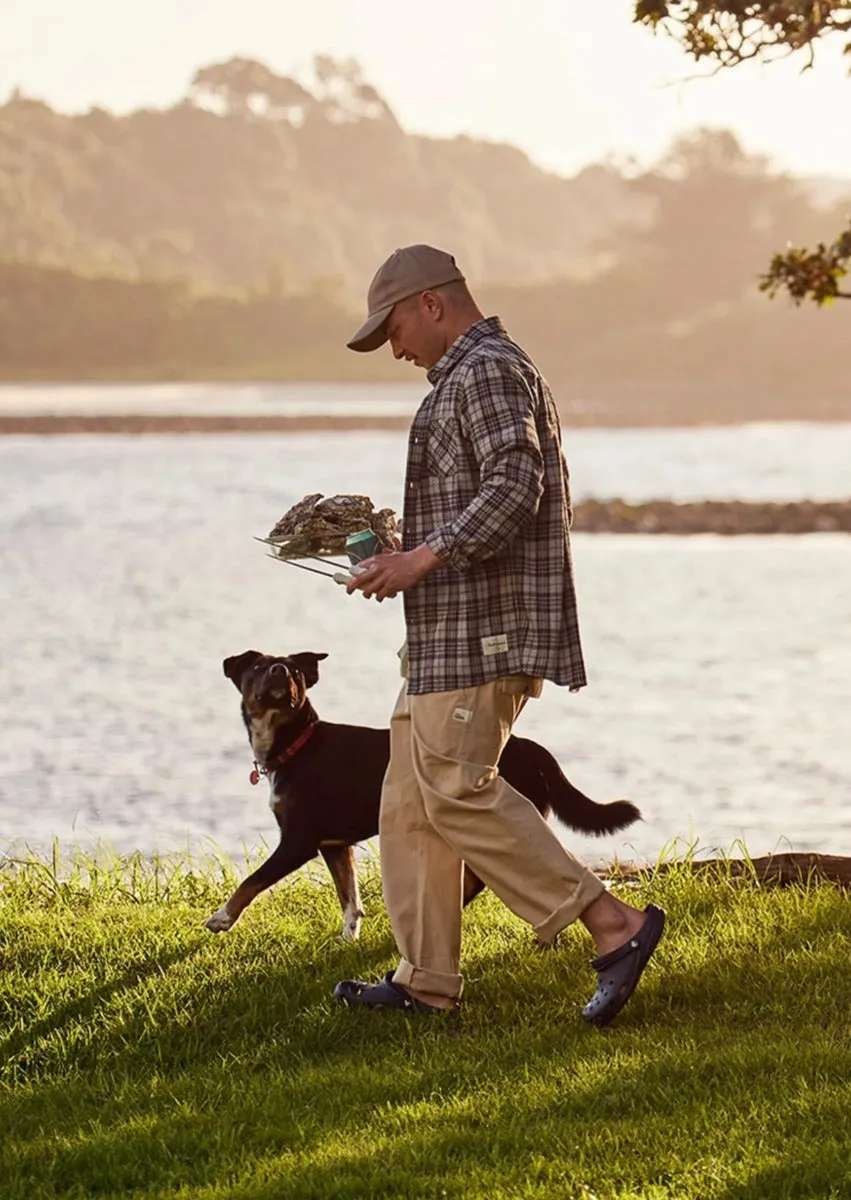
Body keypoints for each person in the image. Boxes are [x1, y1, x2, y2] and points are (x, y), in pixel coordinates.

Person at [333, 244, 664, 1024]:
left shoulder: (484, 371)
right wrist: (398, 552)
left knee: (454, 790)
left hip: (482, 635)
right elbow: (483, 489)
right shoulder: (471, 373)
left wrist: (422, 556)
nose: (394, 348)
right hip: (448, 634)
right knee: (409, 802)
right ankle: (425, 982)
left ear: (433, 305)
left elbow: (516, 484)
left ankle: (613, 927)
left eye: (394, 329)